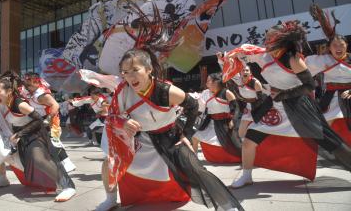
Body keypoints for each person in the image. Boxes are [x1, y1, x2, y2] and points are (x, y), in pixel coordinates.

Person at [96, 48, 243, 211]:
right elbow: (111, 117)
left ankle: (227, 206)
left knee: (195, 169)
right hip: (142, 139)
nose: (130, 76)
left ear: (148, 69)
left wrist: (186, 134)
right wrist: (123, 122)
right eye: (125, 72)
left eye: (135, 70)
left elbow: (193, 106)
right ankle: (110, 199)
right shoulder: (122, 91)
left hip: (170, 136)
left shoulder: (166, 90)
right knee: (108, 163)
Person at [226, 20, 351, 189]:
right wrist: (226, 59)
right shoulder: (261, 54)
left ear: (280, 39)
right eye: (266, 36)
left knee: (328, 141)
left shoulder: (293, 59)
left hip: (299, 105)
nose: (266, 39)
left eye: (270, 37)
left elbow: (309, 85)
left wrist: (284, 94)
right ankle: (247, 175)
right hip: (275, 106)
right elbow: (239, 54)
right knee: (249, 140)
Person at [0, 71, 76, 202]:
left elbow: (38, 120)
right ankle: (2, 178)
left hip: (34, 133)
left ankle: (67, 186)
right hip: (20, 136)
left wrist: (19, 134)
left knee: (38, 159)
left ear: (9, 91)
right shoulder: (3, 105)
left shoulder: (19, 104)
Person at [306, 4, 351, 145]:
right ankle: (334, 151)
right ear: (329, 47)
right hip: (330, 96)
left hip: (349, 94)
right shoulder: (323, 60)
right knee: (323, 125)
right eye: (335, 45)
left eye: (341, 45)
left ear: (346, 46)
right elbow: (303, 68)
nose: (338, 48)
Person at [22, 72, 76, 173]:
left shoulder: (41, 94)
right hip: (39, 118)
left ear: (36, 82)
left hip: (50, 118)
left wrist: (48, 119)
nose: (26, 86)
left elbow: (55, 105)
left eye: (29, 84)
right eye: (26, 84)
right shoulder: (30, 90)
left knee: (53, 140)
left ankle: (68, 163)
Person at [191, 73, 241, 163]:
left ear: (215, 82)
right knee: (195, 136)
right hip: (211, 123)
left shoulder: (227, 93)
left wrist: (232, 121)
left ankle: (244, 157)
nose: (206, 84)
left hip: (225, 123)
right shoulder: (206, 93)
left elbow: (235, 109)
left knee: (234, 145)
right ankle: (195, 160)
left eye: (208, 81)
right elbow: (199, 103)